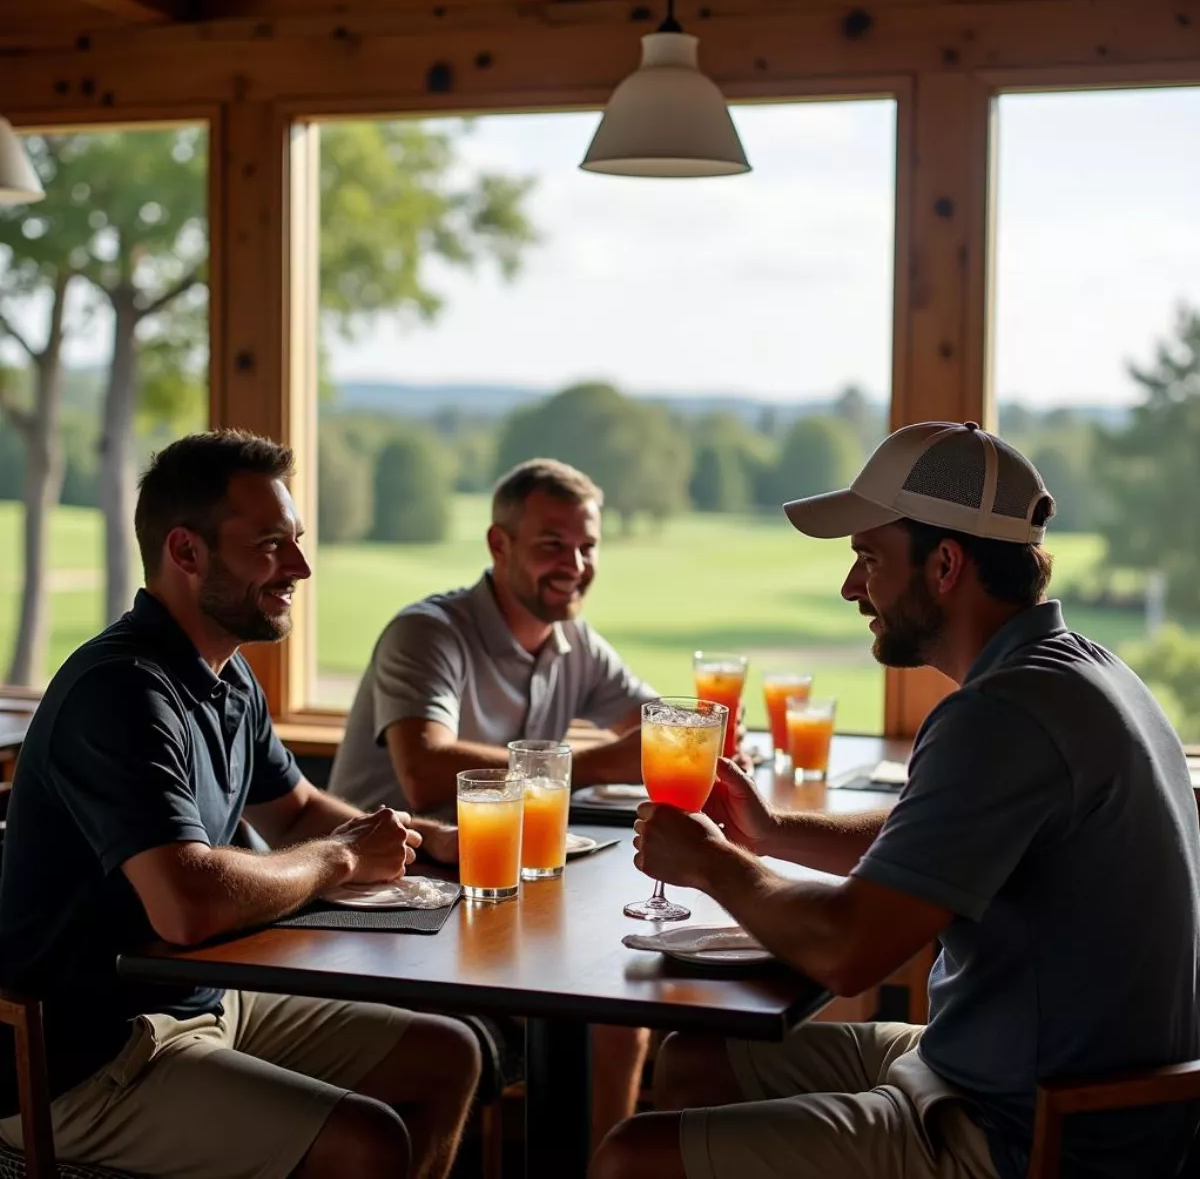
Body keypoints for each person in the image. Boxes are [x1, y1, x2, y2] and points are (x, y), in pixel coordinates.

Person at [592, 421, 1200, 1179]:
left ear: (945, 563)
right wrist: (772, 831)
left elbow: (847, 952)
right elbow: (939, 835)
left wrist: (713, 866)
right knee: (696, 1063)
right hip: (1041, 1082)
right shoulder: (1079, 671)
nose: (852, 588)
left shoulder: (1002, 715)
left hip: (1039, 1135)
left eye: (868, 558)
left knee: (628, 1160)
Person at [0, 431, 481, 1179]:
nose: (300, 567)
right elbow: (185, 904)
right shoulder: (121, 692)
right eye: (270, 545)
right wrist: (344, 857)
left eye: (295, 542)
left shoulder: (224, 671)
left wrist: (432, 839)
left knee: (446, 1054)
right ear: (187, 553)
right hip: (88, 1058)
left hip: (201, 1002)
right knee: (366, 1143)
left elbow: (291, 811)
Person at [330, 457, 657, 1144]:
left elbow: (656, 724)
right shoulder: (429, 633)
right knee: (604, 1005)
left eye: (587, 546)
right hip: (389, 901)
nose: (575, 563)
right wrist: (593, 761)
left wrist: (708, 736)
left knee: (626, 1010)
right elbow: (423, 769)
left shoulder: (576, 643)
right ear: (498, 545)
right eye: (552, 545)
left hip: (498, 897)